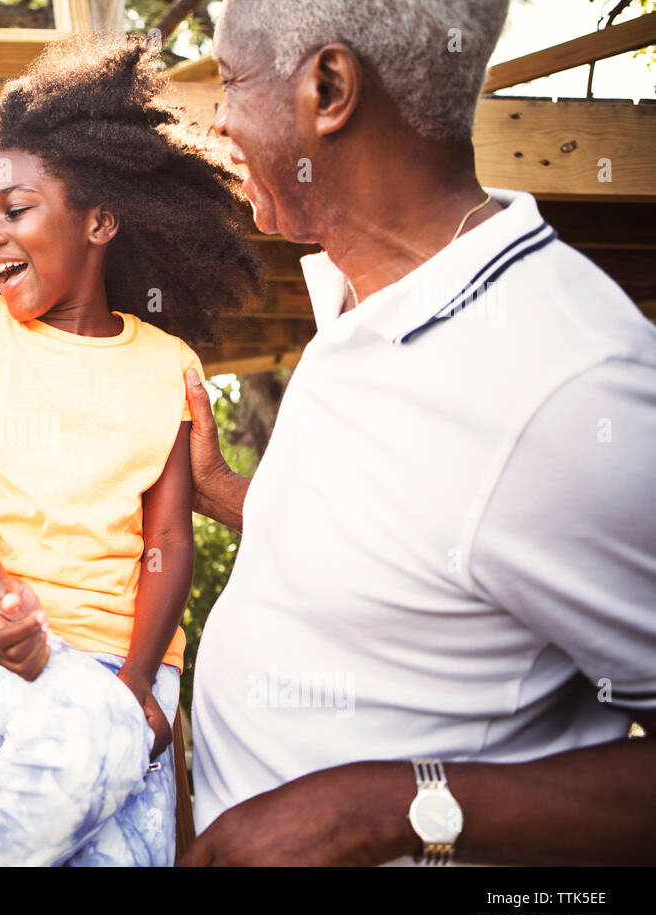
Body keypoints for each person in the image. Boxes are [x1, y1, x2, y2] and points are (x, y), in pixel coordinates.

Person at [183, 0, 656, 866]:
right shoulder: (367, 296)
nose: (216, 119)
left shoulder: (571, 387)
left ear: (329, 89)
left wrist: (386, 808)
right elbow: (419, 558)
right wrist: (221, 492)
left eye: (230, 81)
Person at [0, 35, 261, 866]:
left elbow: (169, 538)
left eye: (17, 210)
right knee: (80, 742)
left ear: (99, 221)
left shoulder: (168, 363)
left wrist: (135, 684)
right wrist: (12, 607)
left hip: (134, 657)